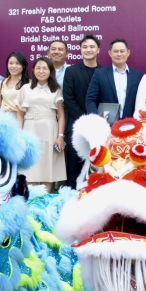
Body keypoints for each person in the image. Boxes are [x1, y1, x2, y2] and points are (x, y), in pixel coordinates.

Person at [17, 57, 66, 190]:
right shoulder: (25, 88)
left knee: (47, 169)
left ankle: (45, 203)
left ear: (50, 71)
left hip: (50, 131)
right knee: (30, 169)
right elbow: (20, 114)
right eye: (38, 68)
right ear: (33, 70)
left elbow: (61, 115)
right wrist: (19, 135)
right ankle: (31, 202)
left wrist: (60, 136)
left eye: (45, 68)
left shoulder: (56, 89)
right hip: (30, 129)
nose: (41, 71)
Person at [63, 35, 101, 188]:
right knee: (73, 165)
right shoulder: (71, 71)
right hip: (75, 125)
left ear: (98, 50)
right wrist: (84, 121)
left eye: (92, 47)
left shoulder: (103, 72)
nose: (88, 50)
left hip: (98, 127)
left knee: (96, 164)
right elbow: (68, 98)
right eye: (85, 47)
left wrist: (96, 121)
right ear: (80, 50)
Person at [86, 39, 143, 122]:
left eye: (122, 51)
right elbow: (90, 99)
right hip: (106, 125)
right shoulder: (100, 73)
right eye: (115, 51)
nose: (119, 54)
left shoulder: (137, 75)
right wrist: (97, 119)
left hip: (131, 125)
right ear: (110, 53)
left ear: (128, 53)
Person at [0, 52, 29, 119]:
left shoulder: (28, 84)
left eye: (17, 63)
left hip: (20, 118)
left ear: (23, 66)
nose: (13, 66)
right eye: (11, 63)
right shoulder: (1, 83)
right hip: (3, 119)